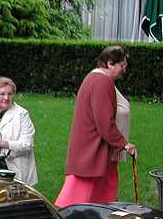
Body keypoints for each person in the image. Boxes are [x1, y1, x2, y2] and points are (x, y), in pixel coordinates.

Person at [55, 46, 136, 207]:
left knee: (101, 200)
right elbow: (104, 122)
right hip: (90, 154)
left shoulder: (96, 79)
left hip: (95, 154)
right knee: (72, 205)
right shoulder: (101, 81)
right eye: (122, 65)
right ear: (110, 63)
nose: (124, 70)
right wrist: (123, 143)